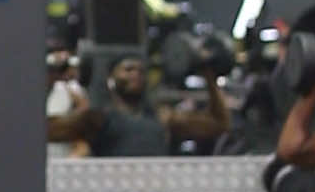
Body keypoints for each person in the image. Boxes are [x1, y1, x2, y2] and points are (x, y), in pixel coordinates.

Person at [44, 55, 231, 156]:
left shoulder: (163, 117)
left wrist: (209, 75)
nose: (136, 74)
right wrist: (52, 78)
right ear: (111, 79)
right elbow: (45, 130)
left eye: (141, 71)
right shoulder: (96, 118)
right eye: (128, 69)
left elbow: (218, 124)